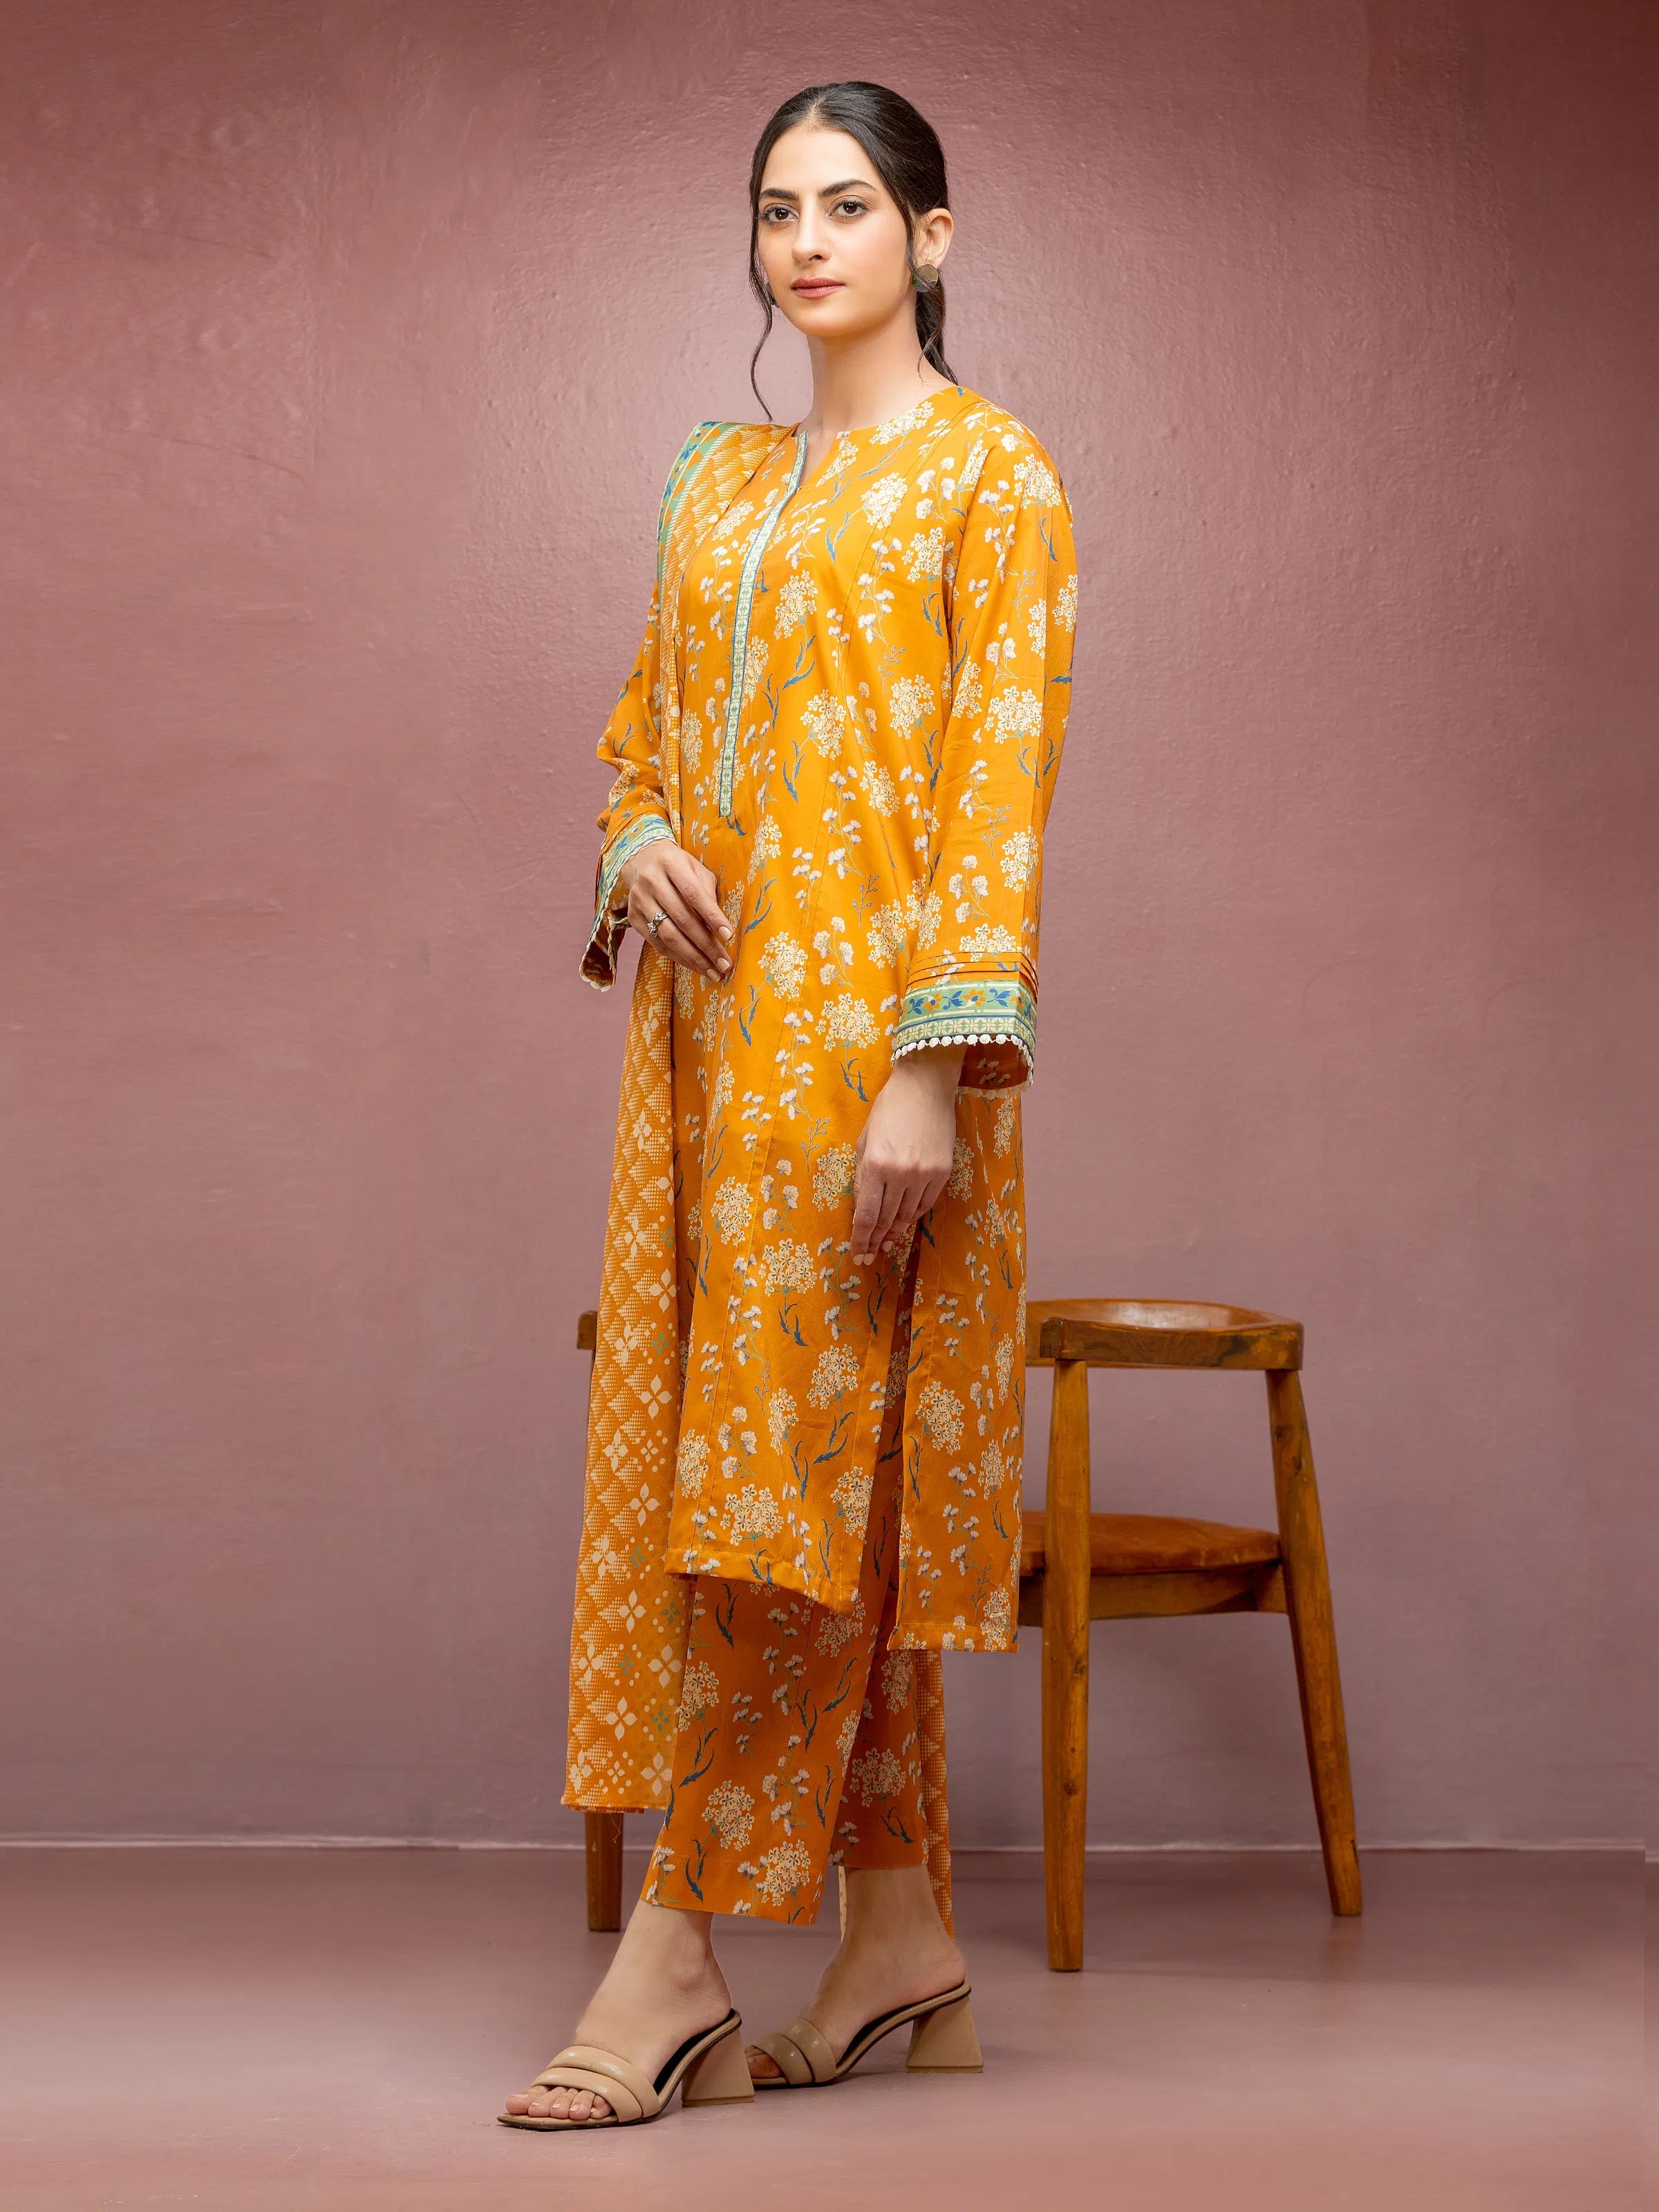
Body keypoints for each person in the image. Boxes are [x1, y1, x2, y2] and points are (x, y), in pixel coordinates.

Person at [502, 77, 1078, 2131]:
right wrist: (635, 841)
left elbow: (997, 792)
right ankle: (902, 1938)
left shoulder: (993, 478)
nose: (808, 241)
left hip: (874, 1072)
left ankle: (673, 1955)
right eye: (777, 209)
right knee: (803, 1489)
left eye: (847, 205)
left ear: (931, 236)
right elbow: (645, 732)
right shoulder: (716, 482)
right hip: (702, 1069)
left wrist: (928, 1076)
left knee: (789, 1497)